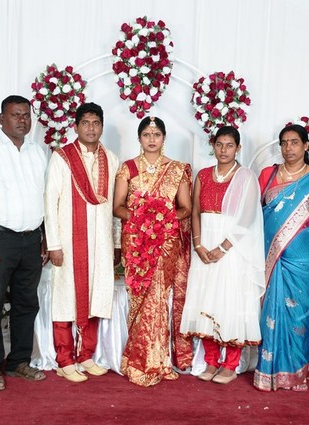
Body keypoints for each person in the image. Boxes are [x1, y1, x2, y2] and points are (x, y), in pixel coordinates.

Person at [0, 95, 48, 391]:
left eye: (26, 115)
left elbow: (44, 198)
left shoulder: (37, 152)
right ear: (2, 119)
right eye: (16, 115)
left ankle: (18, 362)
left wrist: (45, 237)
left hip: (32, 239)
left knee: (27, 303)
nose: (22, 120)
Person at [253, 124, 309, 392]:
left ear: (305, 146)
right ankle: (267, 372)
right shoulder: (268, 175)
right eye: (284, 143)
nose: (288, 148)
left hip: (302, 260)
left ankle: (294, 373)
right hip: (269, 257)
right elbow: (254, 215)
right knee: (269, 313)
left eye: (294, 142)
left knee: (299, 316)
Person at [180, 126, 265, 385]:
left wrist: (223, 248)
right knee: (206, 300)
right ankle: (211, 361)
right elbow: (195, 211)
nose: (224, 150)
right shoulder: (203, 175)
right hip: (204, 246)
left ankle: (230, 365)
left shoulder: (246, 177)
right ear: (213, 146)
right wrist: (198, 245)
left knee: (231, 301)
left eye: (229, 145)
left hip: (233, 249)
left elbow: (247, 217)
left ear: (238, 148)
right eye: (219, 144)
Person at [113, 116, 193, 387]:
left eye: (156, 134)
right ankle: (136, 358)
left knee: (158, 298)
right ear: (139, 138)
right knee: (139, 297)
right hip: (136, 243)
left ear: (163, 138)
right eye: (146, 134)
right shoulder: (127, 168)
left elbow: (185, 208)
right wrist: (142, 220)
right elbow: (117, 207)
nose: (151, 139)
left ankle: (156, 360)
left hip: (166, 243)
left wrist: (163, 219)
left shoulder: (177, 169)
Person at [44, 102, 120, 383]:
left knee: (96, 296)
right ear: (75, 126)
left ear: (102, 127)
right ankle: (64, 359)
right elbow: (50, 202)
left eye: (96, 123)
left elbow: (115, 206)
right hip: (68, 242)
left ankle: (86, 355)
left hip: (101, 244)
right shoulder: (62, 158)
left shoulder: (111, 159)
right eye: (85, 123)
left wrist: (116, 243)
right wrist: (53, 244)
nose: (91, 128)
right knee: (65, 299)